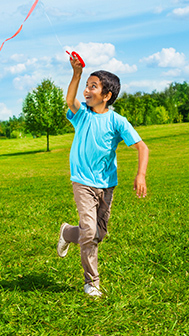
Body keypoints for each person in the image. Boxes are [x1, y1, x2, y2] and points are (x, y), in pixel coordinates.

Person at [56, 53, 149, 298]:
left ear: (107, 95)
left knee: (98, 233)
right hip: (82, 182)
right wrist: (76, 74)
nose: (87, 91)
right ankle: (92, 282)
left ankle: (67, 232)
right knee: (89, 232)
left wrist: (140, 175)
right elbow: (69, 99)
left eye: (93, 87)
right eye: (86, 85)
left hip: (106, 185)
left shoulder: (117, 122)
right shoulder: (82, 115)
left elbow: (142, 147)